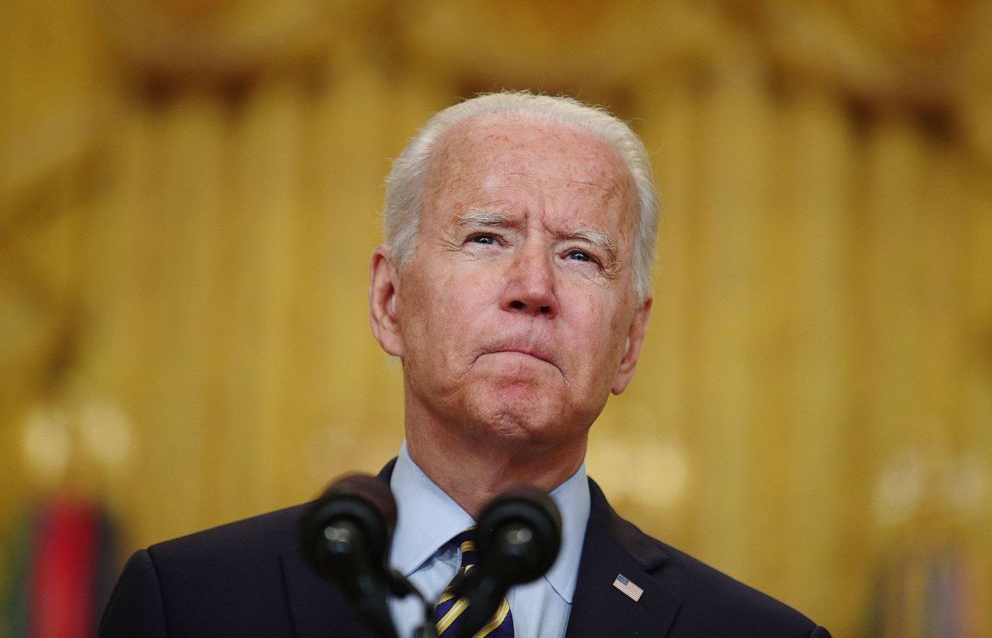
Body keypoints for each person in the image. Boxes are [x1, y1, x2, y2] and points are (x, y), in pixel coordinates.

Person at [99, 92, 831, 637]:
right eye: (486, 237)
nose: (535, 288)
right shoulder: (190, 603)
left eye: (580, 254)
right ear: (390, 300)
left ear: (629, 341)